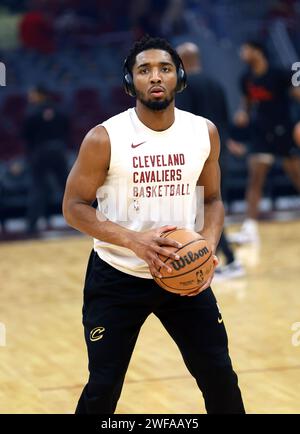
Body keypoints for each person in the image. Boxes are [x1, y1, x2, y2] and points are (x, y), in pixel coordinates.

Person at [63, 35, 245, 414]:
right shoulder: (104, 138)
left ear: (179, 76)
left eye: (164, 68)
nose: (155, 76)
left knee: (220, 376)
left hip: (184, 274)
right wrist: (134, 241)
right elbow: (74, 206)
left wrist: (208, 246)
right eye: (144, 70)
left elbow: (212, 199)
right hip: (117, 275)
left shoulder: (203, 132)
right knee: (103, 386)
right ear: (130, 83)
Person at [175, 41, 245, 280]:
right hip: (218, 153)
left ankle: (227, 260)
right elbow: (224, 119)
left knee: (203, 211)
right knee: (212, 205)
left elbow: (182, 124)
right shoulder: (215, 83)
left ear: (181, 60)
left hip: (196, 156)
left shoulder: (184, 86)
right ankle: (218, 259)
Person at [228, 40, 300, 244]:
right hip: (261, 133)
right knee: (255, 178)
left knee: (296, 176)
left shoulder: (279, 73)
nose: (242, 52)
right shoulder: (246, 78)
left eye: (246, 49)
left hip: (283, 130)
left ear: (257, 51)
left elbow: (297, 95)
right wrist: (243, 113)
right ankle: (250, 229)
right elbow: (247, 103)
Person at [23, 85, 69, 235]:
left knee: (38, 188)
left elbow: (25, 135)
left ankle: (31, 226)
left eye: (32, 94)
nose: (30, 97)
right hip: (59, 151)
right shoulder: (59, 109)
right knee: (69, 189)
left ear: (40, 95)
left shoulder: (32, 112)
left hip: (40, 152)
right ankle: (85, 222)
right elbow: (67, 128)